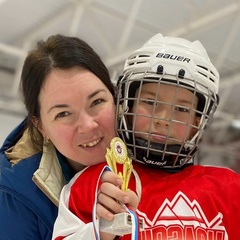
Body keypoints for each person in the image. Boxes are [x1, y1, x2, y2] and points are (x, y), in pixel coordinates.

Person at [52, 33, 240, 240]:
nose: (164, 119)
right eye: (150, 103)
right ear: (127, 104)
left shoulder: (230, 188)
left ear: (198, 122)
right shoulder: (94, 184)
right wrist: (101, 232)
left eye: (181, 109)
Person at [0, 34, 138, 240]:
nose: (88, 125)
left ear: (115, 97)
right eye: (63, 114)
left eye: (97, 101)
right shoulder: (15, 195)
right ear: (41, 127)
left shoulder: (157, 154)